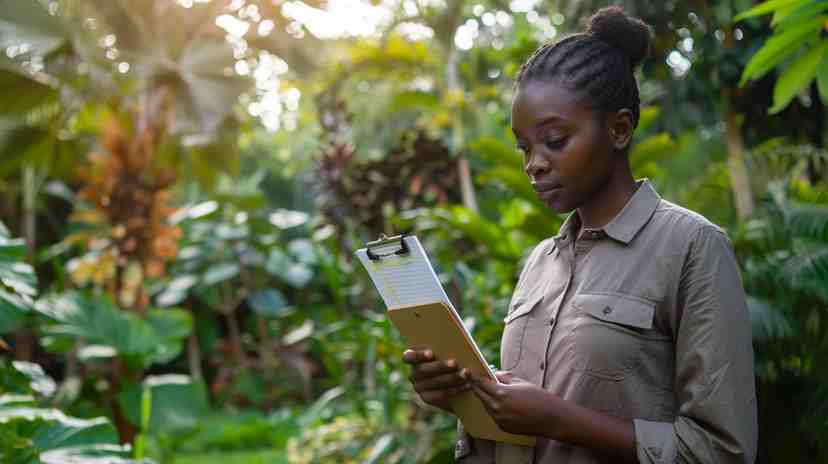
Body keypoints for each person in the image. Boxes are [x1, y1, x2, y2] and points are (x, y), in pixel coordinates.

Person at [402, 6, 757, 463]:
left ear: (619, 129)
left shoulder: (692, 247)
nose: (534, 163)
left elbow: (723, 451)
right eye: (524, 147)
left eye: (554, 140)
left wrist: (560, 420)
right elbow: (518, 424)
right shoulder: (539, 263)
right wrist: (463, 396)